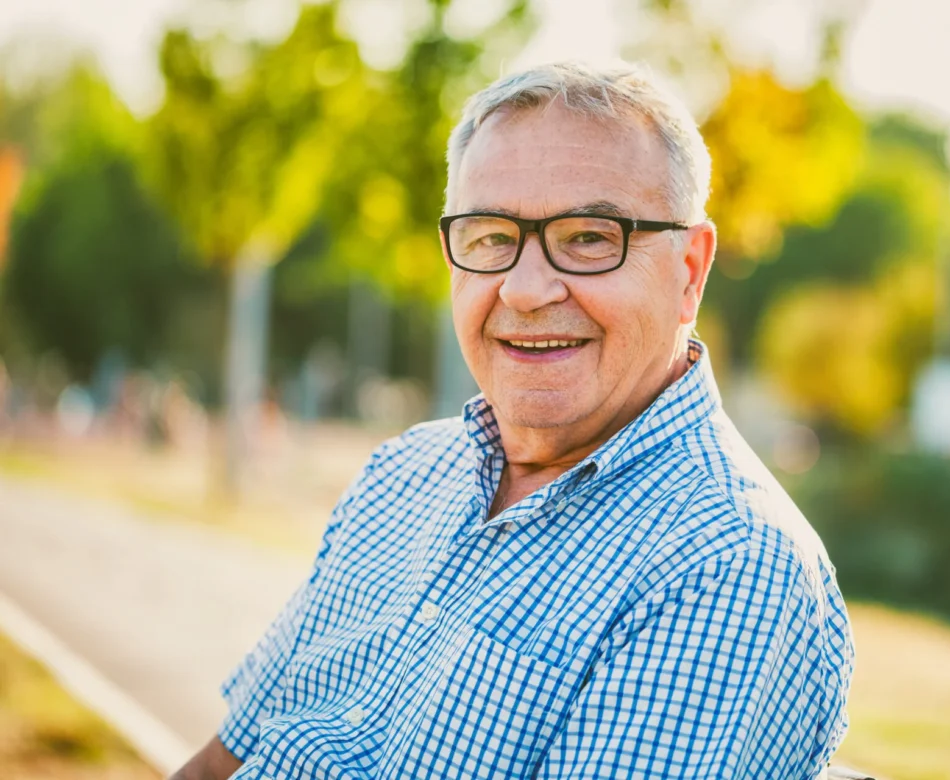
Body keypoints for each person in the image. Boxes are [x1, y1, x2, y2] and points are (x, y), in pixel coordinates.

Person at [172, 60, 854, 780]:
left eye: (591, 237)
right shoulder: (403, 474)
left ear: (690, 269)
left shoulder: (725, 564)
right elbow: (227, 758)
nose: (525, 290)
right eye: (492, 236)